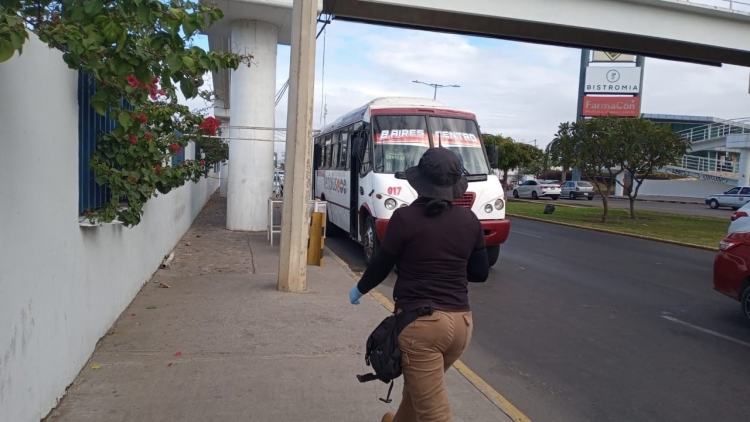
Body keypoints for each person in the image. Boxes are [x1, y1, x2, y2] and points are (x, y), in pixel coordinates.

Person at [348, 147, 490, 422]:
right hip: (461, 325)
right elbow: (480, 273)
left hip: (421, 327)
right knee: (419, 391)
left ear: (419, 182)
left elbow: (381, 265)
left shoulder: (404, 218)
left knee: (434, 414)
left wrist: (360, 289)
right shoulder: (470, 220)